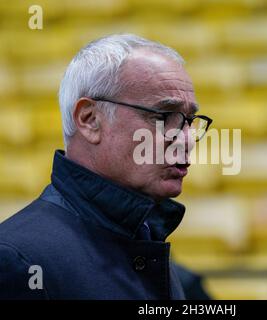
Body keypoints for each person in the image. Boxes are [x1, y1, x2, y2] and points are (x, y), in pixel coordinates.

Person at [0, 34, 212, 299]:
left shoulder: (150, 247)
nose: (187, 139)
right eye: (163, 116)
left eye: (190, 120)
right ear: (89, 120)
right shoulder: (17, 260)